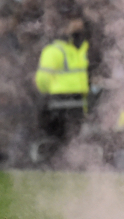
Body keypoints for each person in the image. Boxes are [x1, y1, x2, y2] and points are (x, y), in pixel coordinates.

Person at [35, 18, 90, 148]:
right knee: (67, 140)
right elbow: (43, 79)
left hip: (69, 102)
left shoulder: (78, 49)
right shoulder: (57, 50)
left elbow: (42, 80)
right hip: (63, 103)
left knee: (67, 141)